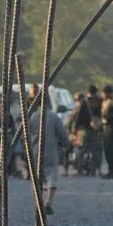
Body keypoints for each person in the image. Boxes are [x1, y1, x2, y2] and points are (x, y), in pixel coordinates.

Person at [23, 83, 70, 214]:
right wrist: (66, 144)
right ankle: (49, 201)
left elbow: (22, 135)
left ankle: (39, 203)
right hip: (50, 151)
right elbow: (63, 135)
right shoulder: (54, 117)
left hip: (34, 151)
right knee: (52, 176)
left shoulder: (30, 117)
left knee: (36, 179)